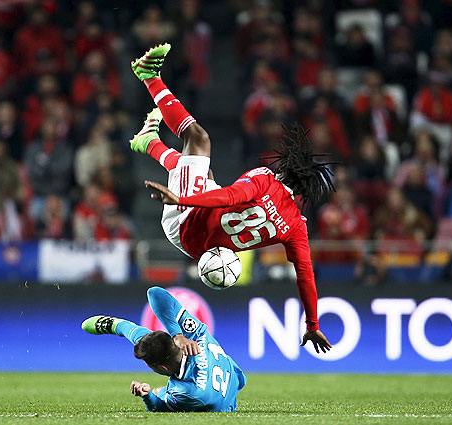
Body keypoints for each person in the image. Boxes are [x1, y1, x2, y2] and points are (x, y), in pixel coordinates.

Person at [130, 43, 332, 354]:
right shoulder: (297, 227)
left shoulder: (265, 179)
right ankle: (149, 143)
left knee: (198, 140)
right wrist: (313, 325)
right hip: (199, 237)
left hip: (185, 221)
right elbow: (305, 275)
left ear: (286, 167)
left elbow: (230, 197)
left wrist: (182, 201)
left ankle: (149, 76)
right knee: (202, 174)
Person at [82, 286, 246, 412]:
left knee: (162, 390)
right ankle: (113, 326)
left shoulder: (186, 392)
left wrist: (149, 395)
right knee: (141, 337)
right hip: (233, 378)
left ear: (162, 367)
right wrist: (178, 335)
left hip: (225, 405)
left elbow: (159, 407)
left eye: (148, 364)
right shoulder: (195, 334)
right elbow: (155, 292)